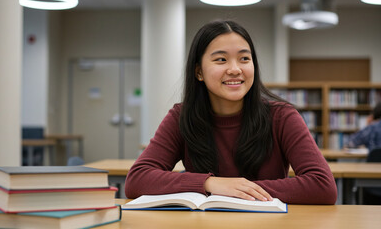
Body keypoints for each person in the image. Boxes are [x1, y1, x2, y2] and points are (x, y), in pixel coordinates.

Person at [125, 20, 337, 204]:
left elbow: (323, 186)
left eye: (244, 59)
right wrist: (210, 183)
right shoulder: (181, 117)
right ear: (199, 71)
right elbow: (137, 180)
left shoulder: (282, 116)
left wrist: (239, 191)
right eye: (221, 60)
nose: (235, 69)